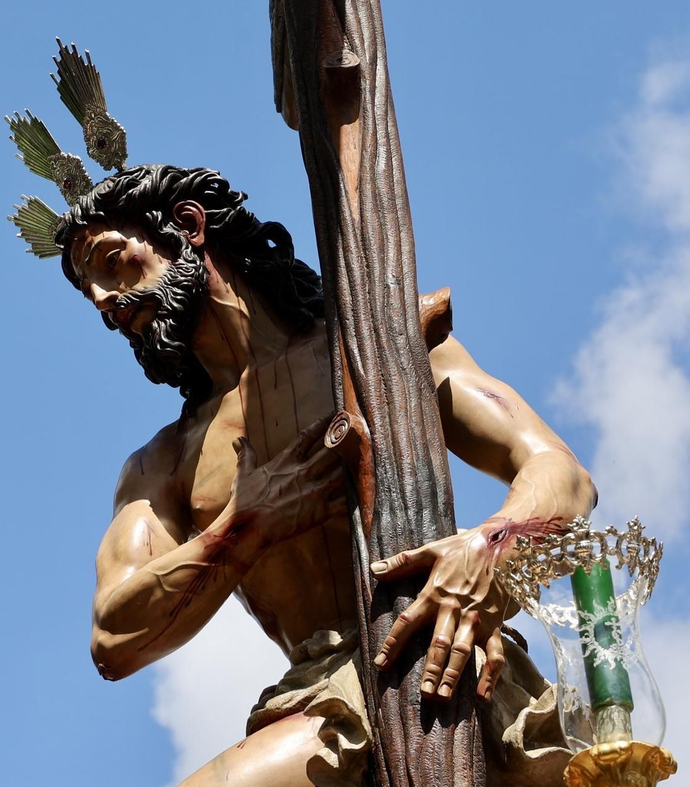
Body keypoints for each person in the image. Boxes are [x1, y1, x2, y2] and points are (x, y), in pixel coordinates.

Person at [50, 164, 592, 787]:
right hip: (324, 701)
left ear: (189, 226)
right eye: (89, 290)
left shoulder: (384, 346)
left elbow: (562, 474)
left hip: (451, 664)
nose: (104, 300)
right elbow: (114, 636)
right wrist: (245, 524)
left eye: (111, 262)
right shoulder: (165, 464)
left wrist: (488, 552)